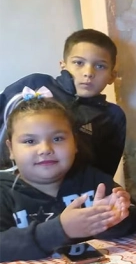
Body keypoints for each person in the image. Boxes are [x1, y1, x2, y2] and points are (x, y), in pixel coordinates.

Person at [0, 89, 136, 262]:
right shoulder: (4, 191)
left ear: (75, 143)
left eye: (58, 139)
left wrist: (110, 219)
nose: (45, 149)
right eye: (30, 141)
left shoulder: (92, 180)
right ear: (10, 150)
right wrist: (61, 229)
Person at [0, 29, 126, 177]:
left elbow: (103, 172)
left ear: (112, 76)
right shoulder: (35, 83)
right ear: (63, 65)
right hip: (6, 180)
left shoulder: (112, 116)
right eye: (79, 63)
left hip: (64, 193)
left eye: (100, 66)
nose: (88, 73)